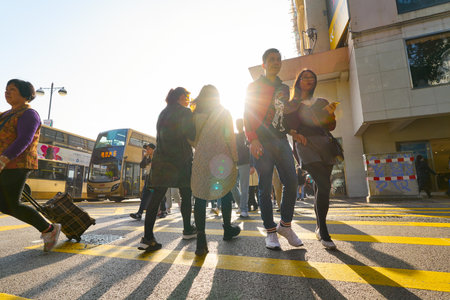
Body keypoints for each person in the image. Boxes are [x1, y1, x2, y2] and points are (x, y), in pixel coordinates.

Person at [244, 48, 303, 250]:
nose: (276, 62)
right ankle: (270, 231)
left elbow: (283, 115)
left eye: (278, 59)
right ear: (264, 64)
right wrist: (252, 139)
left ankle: (285, 225)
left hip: (280, 140)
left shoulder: (284, 88)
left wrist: (293, 131)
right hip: (262, 142)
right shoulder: (255, 86)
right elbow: (248, 112)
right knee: (264, 186)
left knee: (292, 182)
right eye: (271, 59)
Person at [0, 79, 61, 252]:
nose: (7, 92)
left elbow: (24, 140)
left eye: (12, 89)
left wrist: (3, 159)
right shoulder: (5, 114)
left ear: (25, 94)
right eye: (6, 89)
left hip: (16, 165)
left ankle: (49, 229)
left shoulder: (29, 114)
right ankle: (48, 229)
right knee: (5, 205)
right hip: (5, 165)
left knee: (10, 204)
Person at [284, 69, 339, 250]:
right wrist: (293, 133)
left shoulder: (321, 101)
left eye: (312, 78)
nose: (309, 80)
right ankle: (323, 231)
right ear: (298, 81)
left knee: (321, 187)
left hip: (324, 144)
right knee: (323, 185)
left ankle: (318, 225)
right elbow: (284, 125)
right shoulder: (292, 103)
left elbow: (330, 126)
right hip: (305, 145)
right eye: (305, 77)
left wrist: (330, 114)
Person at [137, 87, 197, 251]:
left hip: (161, 161)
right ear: (179, 97)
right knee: (185, 194)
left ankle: (147, 237)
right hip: (180, 160)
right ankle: (187, 229)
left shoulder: (162, 113)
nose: (187, 100)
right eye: (186, 96)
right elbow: (192, 134)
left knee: (156, 199)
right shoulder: (185, 112)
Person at [189, 85, 241, 256]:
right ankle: (227, 229)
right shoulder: (224, 112)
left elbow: (191, 138)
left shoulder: (195, 114)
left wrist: (201, 145)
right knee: (225, 192)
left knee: (200, 195)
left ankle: (201, 241)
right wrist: (234, 158)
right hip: (221, 157)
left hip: (202, 158)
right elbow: (230, 136)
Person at [130, 143, 156, 220]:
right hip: (148, 179)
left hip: (155, 179)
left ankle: (163, 210)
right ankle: (139, 213)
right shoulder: (147, 158)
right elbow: (141, 165)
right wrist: (145, 157)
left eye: (148, 149)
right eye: (146, 149)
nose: (147, 150)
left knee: (156, 197)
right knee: (144, 196)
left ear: (153, 150)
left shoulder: (157, 158)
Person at [235, 118, 250, 218]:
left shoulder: (247, 135)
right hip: (235, 164)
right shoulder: (234, 136)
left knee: (244, 187)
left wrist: (252, 165)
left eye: (240, 123)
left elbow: (250, 150)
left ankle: (244, 209)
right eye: (237, 124)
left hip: (245, 163)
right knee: (232, 187)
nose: (238, 125)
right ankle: (241, 205)